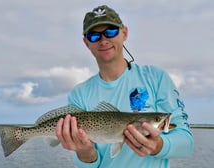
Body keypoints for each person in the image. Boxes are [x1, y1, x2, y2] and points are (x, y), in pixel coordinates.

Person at [55, 5, 194, 168]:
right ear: (86, 42)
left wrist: (159, 146)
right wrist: (85, 153)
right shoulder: (79, 94)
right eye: (94, 36)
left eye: (111, 31)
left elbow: (187, 142)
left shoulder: (156, 77)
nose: (104, 40)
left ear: (125, 33)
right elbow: (90, 163)